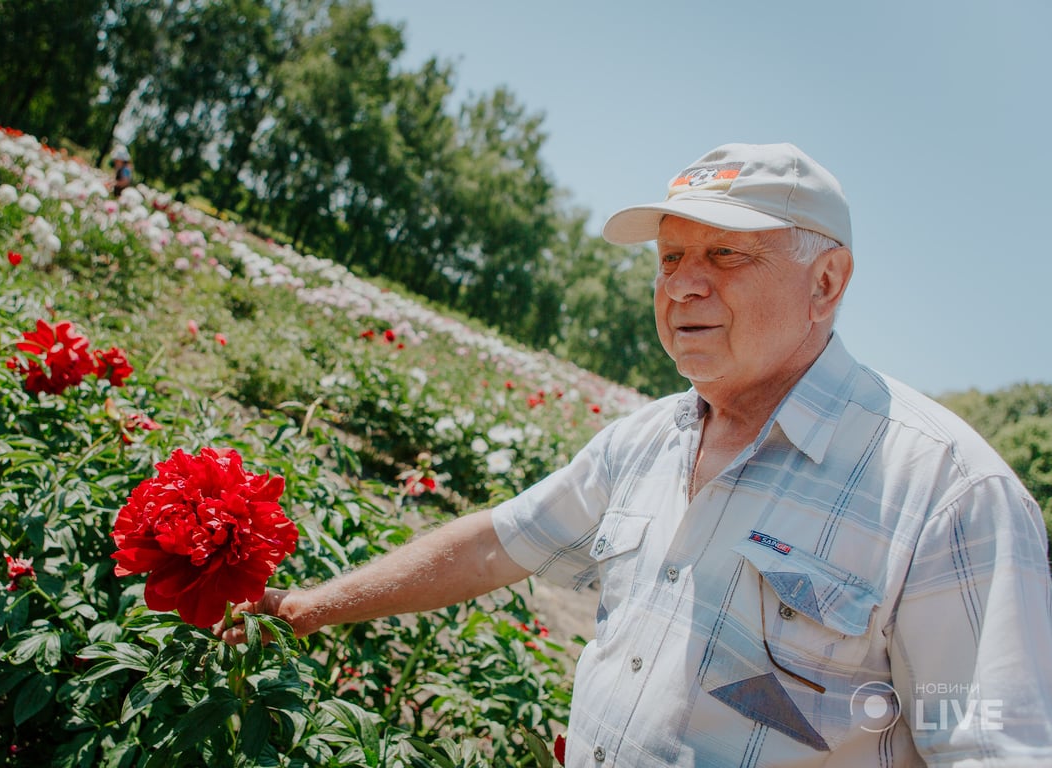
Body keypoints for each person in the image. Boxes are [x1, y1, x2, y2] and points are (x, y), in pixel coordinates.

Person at [219, 142, 1052, 766]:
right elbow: (493, 543)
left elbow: (989, 750)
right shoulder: (647, 439)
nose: (682, 285)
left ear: (826, 283)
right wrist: (305, 607)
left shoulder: (945, 491)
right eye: (670, 258)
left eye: (726, 254)